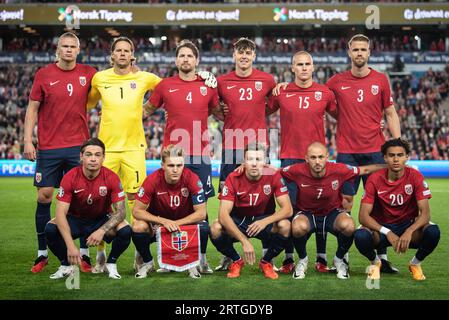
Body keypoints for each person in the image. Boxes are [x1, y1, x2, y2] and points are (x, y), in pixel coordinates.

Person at [326, 34, 401, 273]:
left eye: (363, 49)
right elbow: (320, 102)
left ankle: (381, 258)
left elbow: (390, 112)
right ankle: (342, 257)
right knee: (344, 206)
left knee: (379, 207)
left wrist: (396, 143)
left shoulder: (380, 80)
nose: (359, 53)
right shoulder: (336, 82)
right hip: (347, 153)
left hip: (376, 154)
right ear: (349, 52)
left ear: (369, 52)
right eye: (355, 49)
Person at [145, 40, 221, 272]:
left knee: (202, 209)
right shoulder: (165, 85)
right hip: (173, 154)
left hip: (199, 156)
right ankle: (169, 258)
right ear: (176, 60)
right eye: (182, 56)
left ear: (196, 60)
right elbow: (147, 110)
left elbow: (220, 111)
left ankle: (202, 257)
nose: (186, 59)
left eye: (190, 56)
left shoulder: (208, 85)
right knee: (169, 208)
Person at [24, 32, 96, 273]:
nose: (68, 50)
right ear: (57, 49)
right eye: (64, 46)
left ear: (78, 49)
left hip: (78, 147)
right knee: (44, 196)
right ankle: (42, 253)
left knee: (81, 199)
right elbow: (32, 109)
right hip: (49, 146)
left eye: (72, 46)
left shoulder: (89, 73)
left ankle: (83, 253)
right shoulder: (43, 75)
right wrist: (27, 140)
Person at [268, 51, 337, 274]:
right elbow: (262, 109)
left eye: (308, 64)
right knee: (290, 211)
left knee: (320, 208)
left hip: (317, 160)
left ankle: (322, 258)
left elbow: (343, 116)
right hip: (290, 158)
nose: (304, 68)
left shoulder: (325, 93)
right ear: (292, 68)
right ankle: (289, 258)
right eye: (300, 64)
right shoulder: (282, 92)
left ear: (313, 67)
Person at [280, 142, 385, 279]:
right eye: (313, 157)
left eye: (320, 157)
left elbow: (363, 170)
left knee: (348, 225)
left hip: (331, 213)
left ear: (327, 157)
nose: (317, 161)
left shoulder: (339, 169)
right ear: (306, 158)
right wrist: (248, 167)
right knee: (298, 227)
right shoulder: (297, 170)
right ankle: (303, 260)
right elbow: (276, 172)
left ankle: (339, 259)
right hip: (307, 213)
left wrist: (389, 165)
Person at [215, 37, 276, 271]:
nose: (244, 56)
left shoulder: (267, 80)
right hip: (231, 146)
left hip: (258, 147)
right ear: (234, 56)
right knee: (228, 200)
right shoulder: (222, 81)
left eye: (248, 52)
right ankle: (229, 254)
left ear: (253, 56)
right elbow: (212, 105)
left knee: (265, 198)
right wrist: (224, 115)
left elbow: (274, 102)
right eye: (240, 52)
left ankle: (266, 255)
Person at [44, 138, 132, 280]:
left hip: (101, 219)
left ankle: (111, 263)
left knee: (125, 230)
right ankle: (66, 265)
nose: (93, 159)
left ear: (103, 158)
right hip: (75, 220)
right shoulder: (70, 177)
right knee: (50, 229)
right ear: (81, 156)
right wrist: (71, 246)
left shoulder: (112, 177)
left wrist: (101, 231)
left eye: (97, 155)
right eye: (89, 154)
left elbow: (121, 212)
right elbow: (60, 213)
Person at [354, 138, 440, 281]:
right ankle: (376, 262)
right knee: (360, 236)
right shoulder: (374, 179)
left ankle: (415, 264)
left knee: (433, 231)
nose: (395, 159)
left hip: (407, 224)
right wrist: (387, 232)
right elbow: (363, 216)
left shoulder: (415, 176)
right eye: (391, 155)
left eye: (400, 155)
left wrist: (410, 230)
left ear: (407, 157)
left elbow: (425, 214)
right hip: (381, 228)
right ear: (385, 157)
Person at [210, 142, 293, 279]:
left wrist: (264, 222)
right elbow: (223, 215)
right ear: (244, 161)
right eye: (250, 159)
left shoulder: (272, 175)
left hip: (263, 219)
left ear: (264, 161)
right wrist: (244, 241)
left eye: (258, 159)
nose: (254, 164)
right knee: (215, 227)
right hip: (240, 221)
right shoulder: (233, 177)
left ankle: (266, 262)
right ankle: (236, 260)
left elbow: (288, 209)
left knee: (285, 225)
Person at [131, 145, 209, 279]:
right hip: (158, 226)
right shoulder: (152, 180)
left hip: (184, 225)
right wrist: (163, 221)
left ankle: (195, 263)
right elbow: (136, 211)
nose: (175, 170)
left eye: (179, 165)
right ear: (162, 165)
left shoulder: (192, 178)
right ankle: (148, 262)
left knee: (203, 226)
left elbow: (201, 213)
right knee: (138, 226)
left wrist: (175, 223)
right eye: (171, 165)